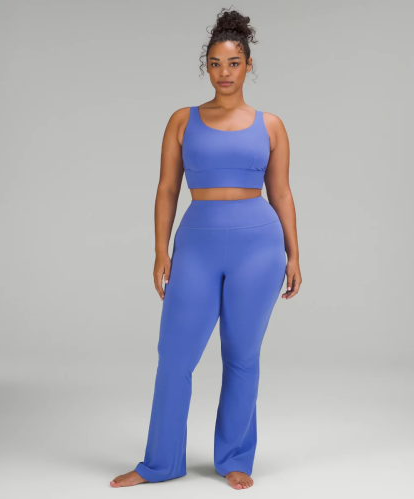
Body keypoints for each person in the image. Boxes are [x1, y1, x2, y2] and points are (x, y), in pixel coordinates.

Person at [110, 7, 302, 491]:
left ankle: (235, 458)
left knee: (242, 355)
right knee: (175, 355)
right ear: (206, 67)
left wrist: (295, 254)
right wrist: (160, 251)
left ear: (248, 65)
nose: (224, 72)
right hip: (195, 245)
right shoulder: (183, 120)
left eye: (233, 63)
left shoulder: (271, 125)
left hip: (259, 248)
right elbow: (167, 189)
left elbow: (281, 193)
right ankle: (160, 463)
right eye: (215, 64)